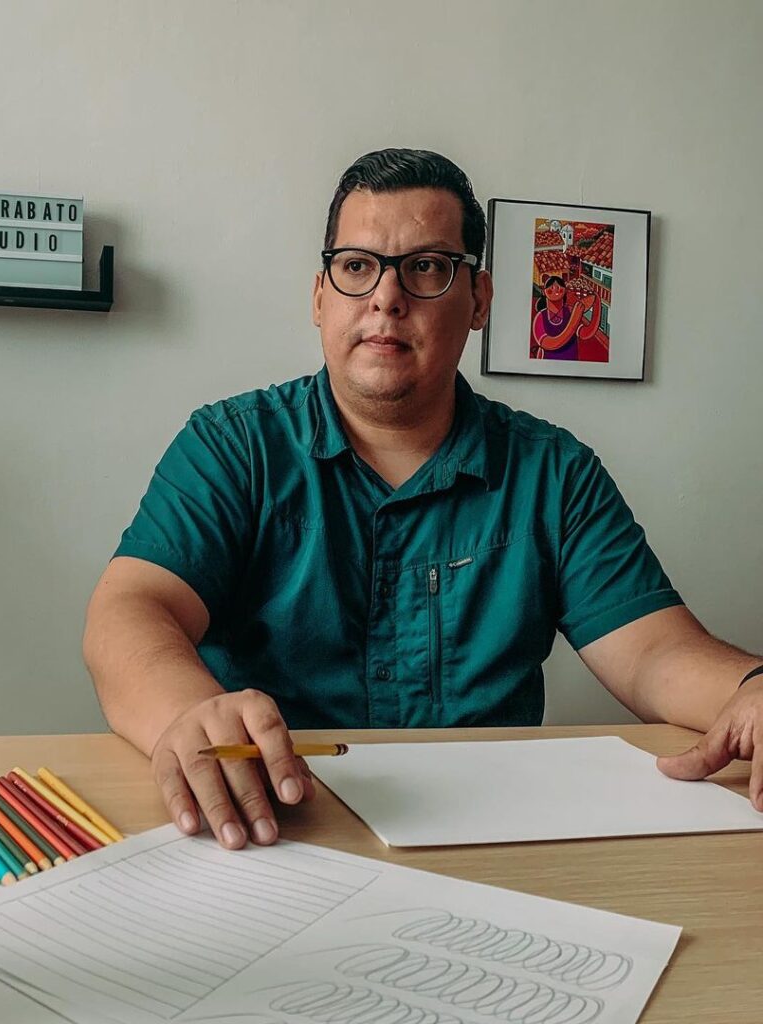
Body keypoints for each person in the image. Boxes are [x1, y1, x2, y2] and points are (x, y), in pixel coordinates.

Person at [84, 148, 763, 850]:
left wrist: (751, 688)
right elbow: (131, 610)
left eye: (427, 267)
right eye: (356, 266)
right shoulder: (232, 446)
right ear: (319, 297)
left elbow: (654, 651)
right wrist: (188, 712)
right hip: (273, 823)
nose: (386, 297)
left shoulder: (555, 473)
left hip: (491, 836)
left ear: (480, 300)